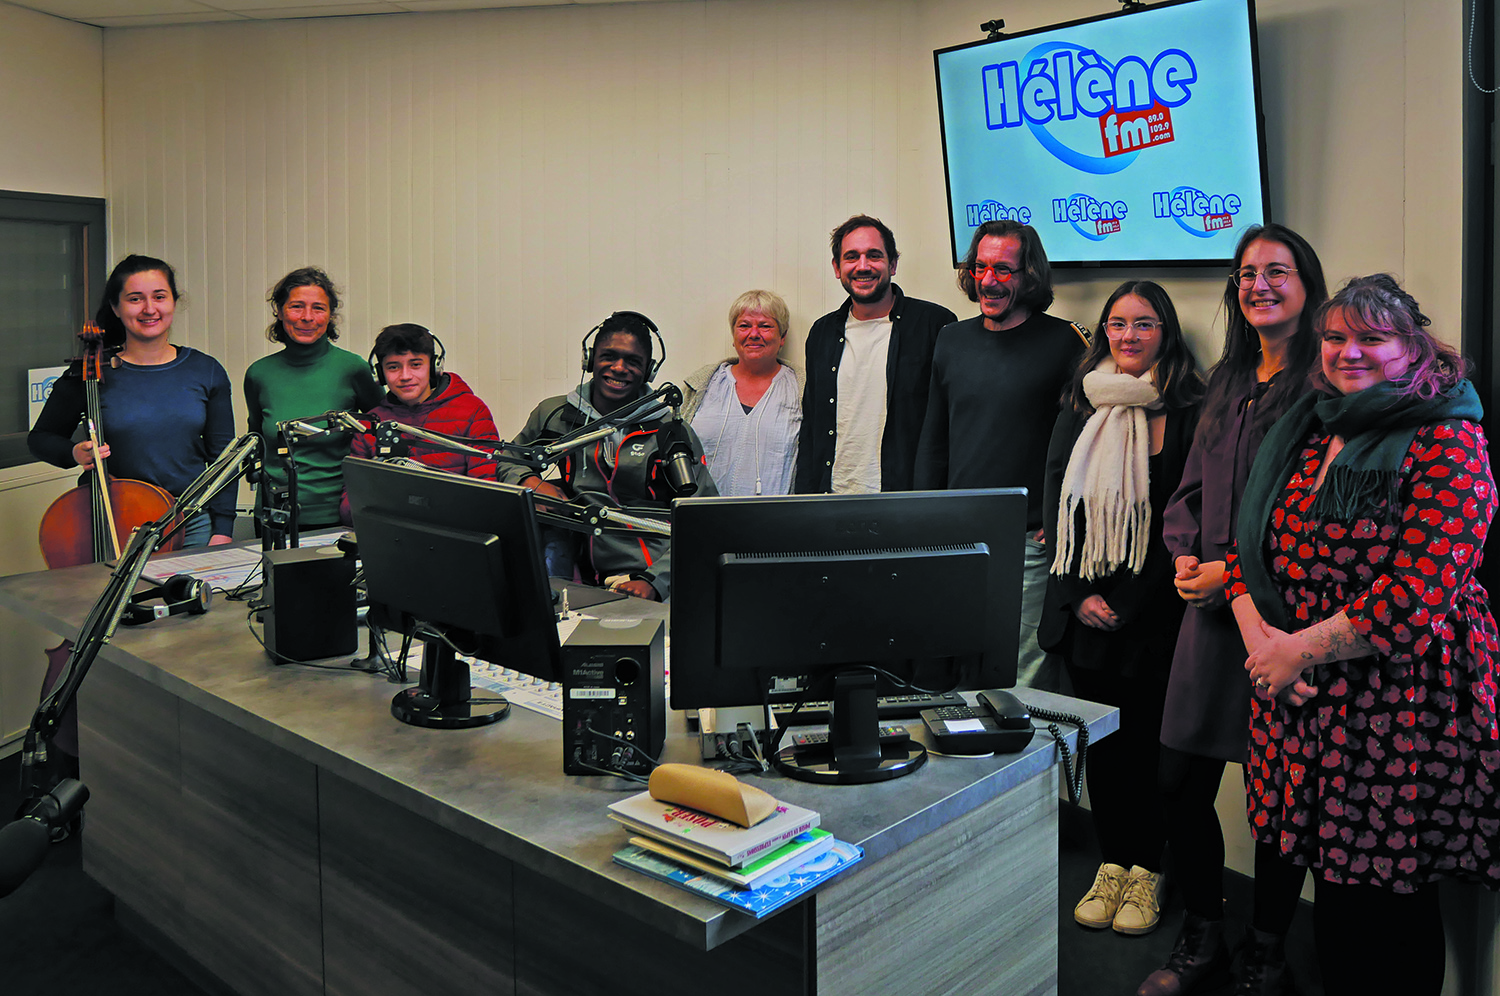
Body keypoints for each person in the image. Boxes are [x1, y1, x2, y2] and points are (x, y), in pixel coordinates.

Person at [1228, 275, 1499, 996]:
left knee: (1388, 901)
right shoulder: (1311, 425)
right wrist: (1264, 647)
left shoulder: (1450, 439)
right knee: (1333, 895)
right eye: (1336, 337)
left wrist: (1293, 652)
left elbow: (1415, 595)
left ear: (1413, 347)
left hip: (1398, 707)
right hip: (1299, 698)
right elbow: (1244, 549)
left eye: (1372, 338)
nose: (1350, 352)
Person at [1143, 223, 1328, 996]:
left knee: (1279, 799)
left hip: (1281, 620)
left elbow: (1316, 516)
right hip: (1208, 621)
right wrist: (1185, 557)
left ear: (1308, 287)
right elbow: (1188, 488)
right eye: (1248, 273)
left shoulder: (1326, 385)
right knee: (1177, 780)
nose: (1260, 285)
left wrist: (1237, 572)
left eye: (1277, 271)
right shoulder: (1226, 380)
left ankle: (1266, 948)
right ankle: (1205, 930)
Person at [1040, 281, 1202, 939]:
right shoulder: (1082, 401)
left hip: (1155, 617)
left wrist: (1130, 603)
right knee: (1103, 751)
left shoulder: (1188, 407)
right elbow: (1056, 499)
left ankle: (1148, 869)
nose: (1128, 335)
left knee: (1151, 753)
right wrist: (1078, 596)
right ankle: (1112, 863)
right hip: (1086, 612)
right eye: (1117, 323)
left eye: (1144, 324)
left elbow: (1188, 515)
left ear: (1166, 333)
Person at [914, 219, 1089, 691]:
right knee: (959, 666)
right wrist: (923, 518)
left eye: (1003, 270)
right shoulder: (951, 339)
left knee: (1023, 677)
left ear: (1029, 275)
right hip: (956, 537)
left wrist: (1058, 520)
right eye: (980, 267)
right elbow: (934, 440)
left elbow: (1086, 444)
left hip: (1028, 542)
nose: (988, 280)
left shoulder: (1067, 342)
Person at [500, 312, 716, 601]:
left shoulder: (672, 432)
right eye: (609, 356)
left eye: (633, 361)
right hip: (579, 578)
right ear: (590, 360)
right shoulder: (556, 415)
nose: (619, 368)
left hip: (652, 578)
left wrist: (655, 582)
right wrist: (529, 481)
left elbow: (703, 517)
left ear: (648, 371)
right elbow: (509, 458)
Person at [29, 254, 235, 547]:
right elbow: (40, 438)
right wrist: (74, 452)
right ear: (116, 307)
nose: (149, 309)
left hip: (189, 521)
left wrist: (223, 528)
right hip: (114, 519)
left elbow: (223, 458)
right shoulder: (89, 372)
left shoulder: (205, 370)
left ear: (174, 302)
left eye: (159, 297)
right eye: (135, 299)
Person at [794, 214, 955, 494]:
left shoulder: (935, 325)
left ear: (892, 264)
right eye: (851, 257)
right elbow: (811, 428)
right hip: (832, 497)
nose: (863, 266)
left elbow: (950, 425)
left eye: (874, 255)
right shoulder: (821, 333)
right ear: (837, 267)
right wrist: (806, 500)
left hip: (905, 501)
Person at [243, 267, 382, 531]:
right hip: (274, 518)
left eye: (318, 308)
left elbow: (379, 434)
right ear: (279, 311)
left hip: (337, 518)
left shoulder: (353, 369)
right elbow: (257, 438)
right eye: (296, 306)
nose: (307, 317)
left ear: (330, 316)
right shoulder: (259, 374)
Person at [338, 324, 500, 524]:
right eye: (393, 367)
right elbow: (349, 509)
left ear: (433, 367)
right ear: (380, 374)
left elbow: (486, 496)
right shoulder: (372, 424)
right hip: (391, 533)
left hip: (455, 532)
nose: (405, 376)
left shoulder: (472, 411)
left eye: (415, 364)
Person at [681, 290, 803, 496]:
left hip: (775, 515)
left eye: (765, 326)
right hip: (701, 512)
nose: (753, 334)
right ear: (733, 335)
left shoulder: (801, 389)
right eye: (744, 326)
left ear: (782, 337)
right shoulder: (702, 386)